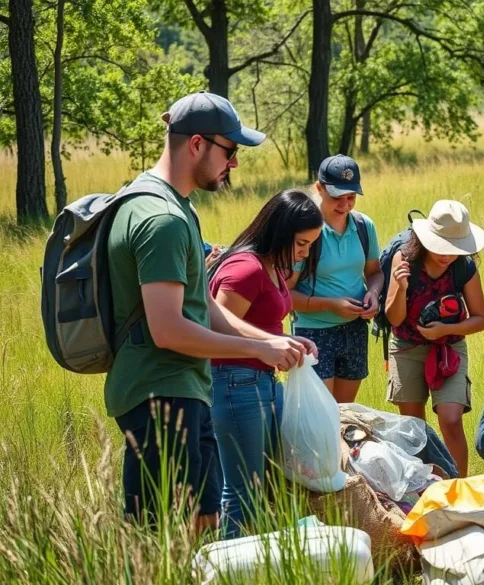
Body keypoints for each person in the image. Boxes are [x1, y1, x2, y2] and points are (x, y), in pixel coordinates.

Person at [105, 91, 315, 534]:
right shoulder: (159, 217)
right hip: (159, 398)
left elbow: (202, 311)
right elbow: (169, 329)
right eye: (231, 150)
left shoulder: (180, 209)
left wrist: (269, 342)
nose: (234, 163)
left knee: (203, 526)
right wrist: (254, 350)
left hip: (185, 390)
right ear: (197, 144)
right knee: (159, 539)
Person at [207, 189, 323, 538]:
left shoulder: (273, 266)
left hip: (262, 383)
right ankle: (228, 566)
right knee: (242, 490)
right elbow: (216, 320)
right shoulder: (245, 267)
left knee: (269, 482)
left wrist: (288, 339)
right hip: (234, 383)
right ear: (280, 231)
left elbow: (260, 323)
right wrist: (269, 343)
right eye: (301, 244)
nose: (304, 254)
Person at [384, 200, 484, 478]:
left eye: (455, 248)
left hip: (448, 349)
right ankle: (420, 489)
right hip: (406, 347)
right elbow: (394, 318)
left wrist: (442, 330)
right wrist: (402, 287)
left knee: (451, 419)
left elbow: (480, 320)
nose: (447, 255)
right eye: (442, 246)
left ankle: (458, 488)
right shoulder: (404, 259)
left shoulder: (464, 268)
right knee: (412, 428)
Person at [289, 155, 383, 404]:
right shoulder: (305, 231)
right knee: (320, 415)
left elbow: (375, 272)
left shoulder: (364, 226)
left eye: (351, 197)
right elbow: (285, 294)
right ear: (319, 188)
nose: (345, 205)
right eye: (337, 198)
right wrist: (331, 304)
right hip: (313, 333)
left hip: (354, 331)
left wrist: (373, 294)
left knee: (345, 414)